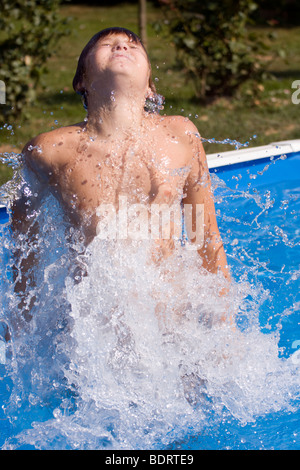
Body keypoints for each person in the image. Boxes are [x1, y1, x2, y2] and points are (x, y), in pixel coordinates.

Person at [11, 27, 231, 303]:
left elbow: (205, 234)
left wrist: (225, 318)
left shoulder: (180, 136)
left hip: (170, 321)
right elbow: (23, 234)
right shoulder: (52, 151)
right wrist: (23, 315)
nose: (122, 47)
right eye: (107, 44)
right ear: (81, 80)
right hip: (93, 322)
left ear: (150, 86)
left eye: (133, 45)